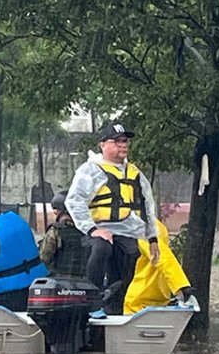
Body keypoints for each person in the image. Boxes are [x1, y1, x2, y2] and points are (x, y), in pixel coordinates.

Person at [65, 121, 160, 315]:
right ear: (103, 144)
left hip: (130, 235)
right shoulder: (90, 170)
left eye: (125, 141)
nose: (123, 145)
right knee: (102, 247)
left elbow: (148, 207)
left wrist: (152, 238)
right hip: (97, 232)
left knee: (125, 275)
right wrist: (93, 229)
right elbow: (74, 201)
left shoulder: (136, 174)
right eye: (117, 141)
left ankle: (115, 314)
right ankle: (90, 299)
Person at [124, 220, 194, 314]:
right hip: (152, 300)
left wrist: (181, 285)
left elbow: (160, 256)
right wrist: (180, 285)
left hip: (140, 303)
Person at [38, 191, 88, 279]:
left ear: (59, 211)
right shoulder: (88, 230)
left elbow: (44, 257)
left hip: (60, 282)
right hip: (86, 283)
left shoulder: (56, 230)